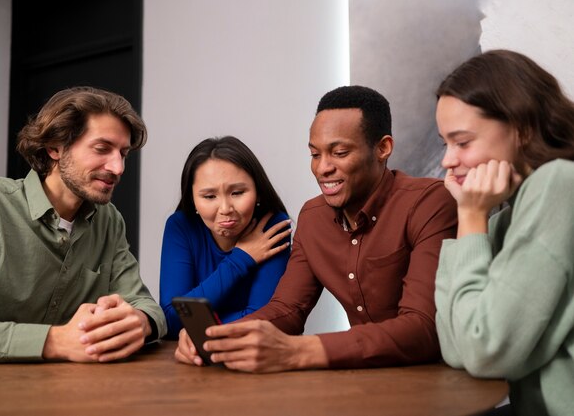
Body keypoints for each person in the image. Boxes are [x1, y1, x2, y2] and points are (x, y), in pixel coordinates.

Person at [175, 85, 457, 371]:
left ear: (383, 148)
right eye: (315, 154)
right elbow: (288, 309)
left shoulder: (429, 202)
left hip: (434, 380)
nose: (323, 168)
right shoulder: (313, 217)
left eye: (340, 152)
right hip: (365, 381)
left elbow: (422, 327)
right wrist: (218, 335)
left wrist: (301, 350)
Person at [0, 86, 166, 364]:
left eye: (123, 153)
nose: (118, 167)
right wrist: (54, 341)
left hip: (70, 396)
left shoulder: (109, 220)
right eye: (102, 149)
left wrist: (140, 321)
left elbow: (144, 304)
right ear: (54, 147)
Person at [434, 49, 574, 416]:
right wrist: (471, 220)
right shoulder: (502, 220)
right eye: (444, 144)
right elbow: (455, 348)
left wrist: (470, 217)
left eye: (462, 142)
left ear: (522, 129)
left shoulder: (560, 184)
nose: (448, 160)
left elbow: (483, 352)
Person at [159, 136, 291, 338]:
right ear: (192, 198)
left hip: (252, 359)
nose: (225, 209)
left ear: (258, 192)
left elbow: (261, 321)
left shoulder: (272, 226)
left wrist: (196, 325)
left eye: (237, 192)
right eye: (209, 196)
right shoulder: (180, 226)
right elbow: (171, 318)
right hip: (188, 358)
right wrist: (242, 257)